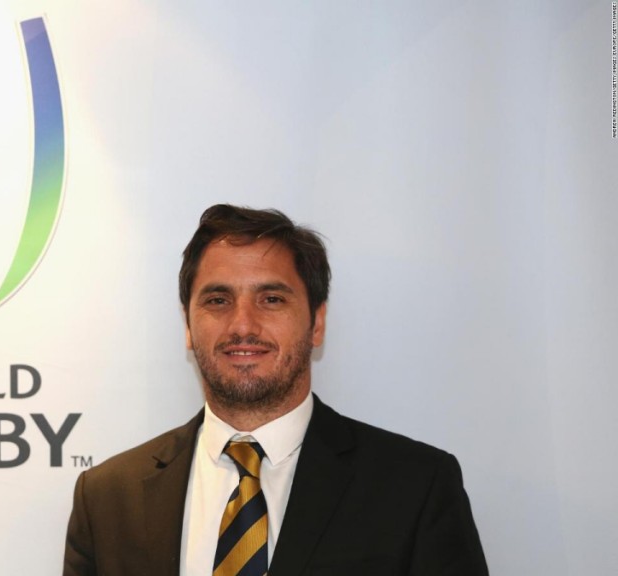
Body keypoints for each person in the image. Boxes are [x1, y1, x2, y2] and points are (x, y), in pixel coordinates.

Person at [62, 205, 488, 576]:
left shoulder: (415, 488)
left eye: (271, 299)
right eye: (218, 300)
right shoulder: (107, 498)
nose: (242, 325)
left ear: (317, 323)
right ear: (188, 326)